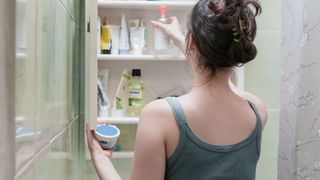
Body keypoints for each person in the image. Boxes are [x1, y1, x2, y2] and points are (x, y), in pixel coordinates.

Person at [86, 0, 267, 179]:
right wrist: (183, 40)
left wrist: (101, 158)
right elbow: (220, 77)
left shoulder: (160, 116)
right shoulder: (257, 109)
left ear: (191, 43)